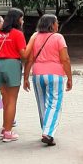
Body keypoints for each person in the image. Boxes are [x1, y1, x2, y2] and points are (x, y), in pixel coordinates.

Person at [23, 14, 73, 146]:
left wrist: (26, 77)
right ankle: (48, 132)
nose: (58, 25)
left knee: (42, 103)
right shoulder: (58, 37)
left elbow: (30, 59)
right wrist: (69, 77)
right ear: (51, 25)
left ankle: (45, 129)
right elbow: (65, 59)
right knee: (54, 104)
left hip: (37, 74)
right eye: (56, 22)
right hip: (55, 75)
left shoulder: (35, 37)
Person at [0, 8, 27, 143]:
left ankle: (5, 127)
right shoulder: (17, 34)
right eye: (21, 19)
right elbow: (24, 54)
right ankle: (8, 132)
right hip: (12, 65)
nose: (22, 21)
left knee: (5, 99)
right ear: (17, 20)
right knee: (12, 100)